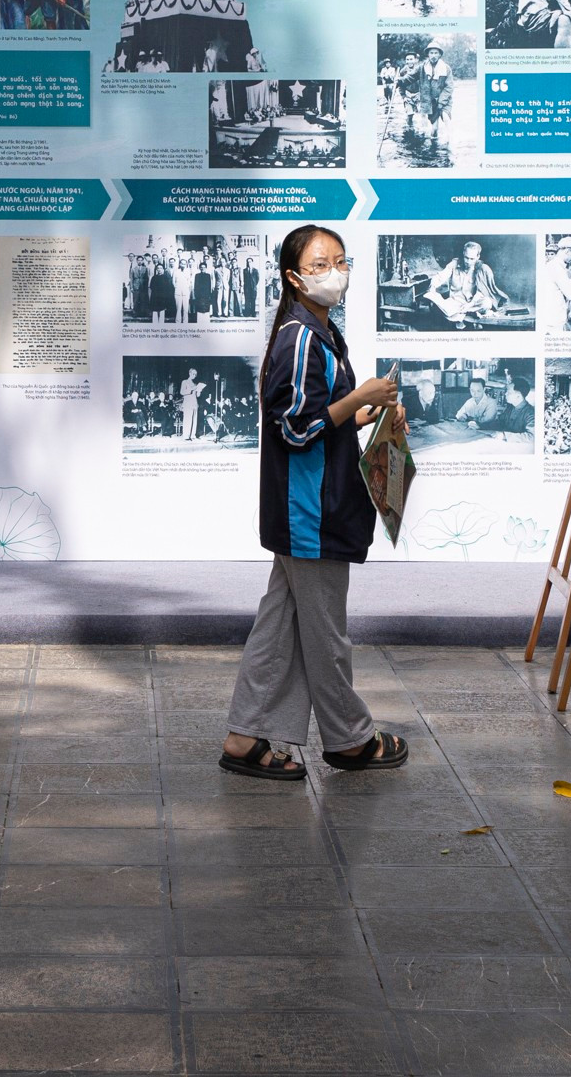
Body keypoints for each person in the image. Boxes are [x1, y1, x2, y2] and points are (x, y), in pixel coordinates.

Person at [219, 224, 407, 780]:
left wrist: (368, 412)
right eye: (321, 264)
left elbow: (322, 419)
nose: (334, 272)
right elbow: (296, 430)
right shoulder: (301, 337)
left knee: (281, 622)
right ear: (294, 277)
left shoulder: (317, 331)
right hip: (311, 511)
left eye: (340, 261)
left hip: (308, 508)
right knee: (326, 632)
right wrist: (358, 397)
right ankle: (350, 739)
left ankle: (244, 737)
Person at [424, 240, 505, 327]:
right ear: (463, 253)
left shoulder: (481, 269)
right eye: (466, 258)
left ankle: (462, 314)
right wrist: (432, 286)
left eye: (472, 259)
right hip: (455, 302)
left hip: (472, 303)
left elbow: (481, 291)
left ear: (478, 257)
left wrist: (469, 304)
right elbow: (440, 276)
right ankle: (469, 314)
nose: (468, 261)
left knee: (487, 303)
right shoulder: (454, 264)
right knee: (435, 303)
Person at [179, 367, 206, 439]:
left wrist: (199, 390)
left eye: (195, 374)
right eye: (193, 374)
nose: (194, 375)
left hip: (195, 403)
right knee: (188, 419)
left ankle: (192, 435)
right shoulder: (185, 382)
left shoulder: (195, 384)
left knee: (194, 420)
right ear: (189, 373)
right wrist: (192, 389)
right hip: (188, 404)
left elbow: (197, 395)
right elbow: (182, 392)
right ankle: (186, 436)